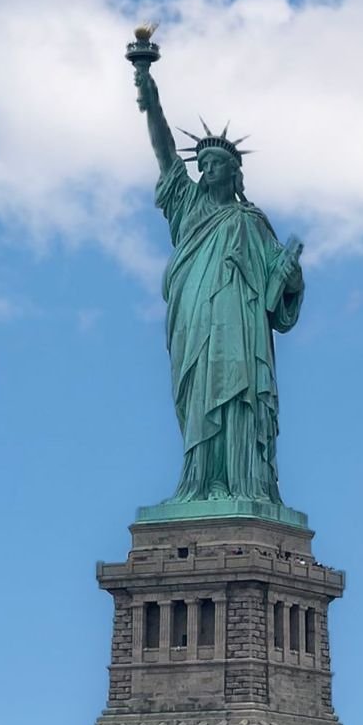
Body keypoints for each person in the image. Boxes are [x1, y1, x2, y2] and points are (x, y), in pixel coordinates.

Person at [134, 67, 304, 504]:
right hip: (194, 316)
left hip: (241, 324)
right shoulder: (187, 203)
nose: (206, 171)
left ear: (233, 173)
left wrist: (289, 273)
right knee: (198, 395)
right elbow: (164, 150)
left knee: (240, 394)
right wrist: (149, 93)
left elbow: (277, 295)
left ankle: (246, 484)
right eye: (202, 165)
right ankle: (200, 480)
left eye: (216, 165)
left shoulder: (251, 222)